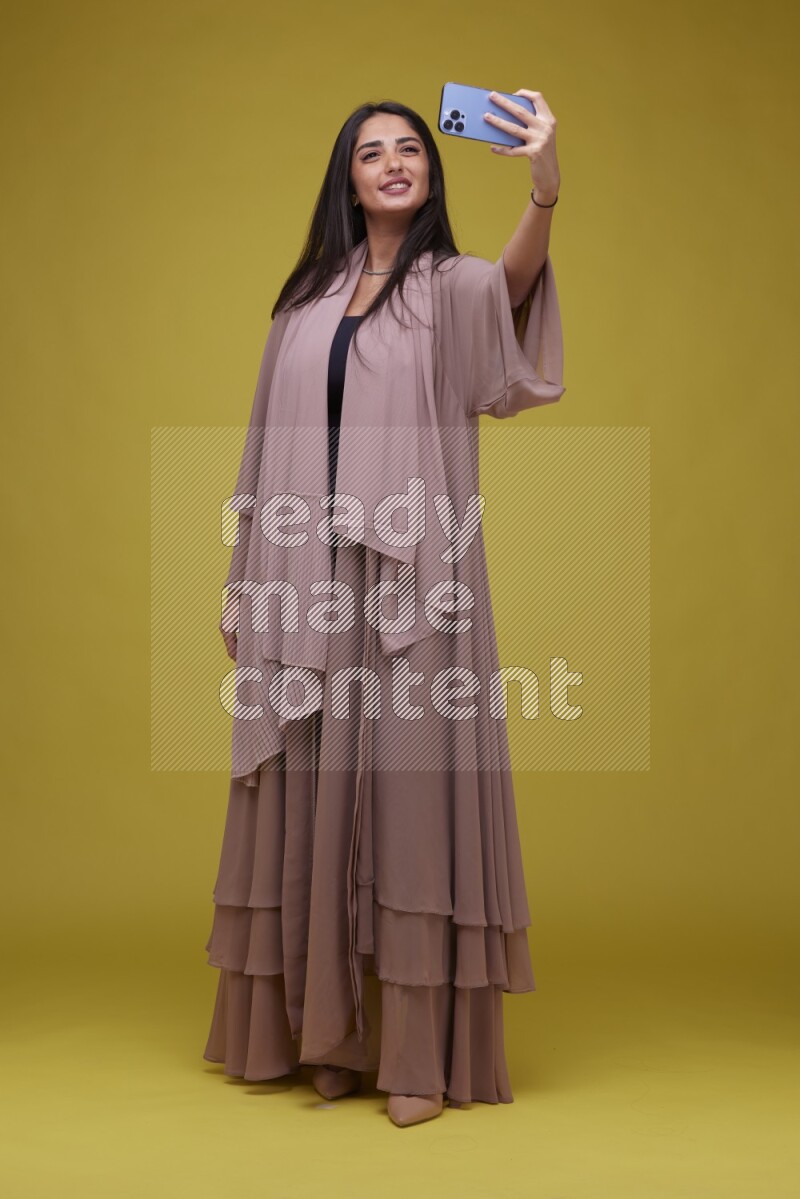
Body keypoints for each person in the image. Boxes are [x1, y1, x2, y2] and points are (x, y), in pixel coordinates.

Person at [204, 91, 564, 1128]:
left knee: (407, 798)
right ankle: (328, 1032)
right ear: (347, 177)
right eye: (373, 152)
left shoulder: (449, 288)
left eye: (410, 148)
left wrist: (543, 184)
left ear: (430, 172)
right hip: (301, 570)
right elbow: (260, 444)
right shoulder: (304, 298)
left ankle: (414, 1051)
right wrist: (244, 577)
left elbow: (514, 292)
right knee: (312, 786)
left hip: (411, 578)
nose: (394, 162)